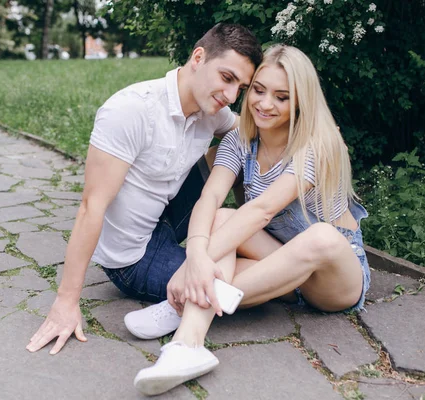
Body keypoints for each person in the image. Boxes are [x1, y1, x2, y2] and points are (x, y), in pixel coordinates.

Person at [128, 44, 371, 396]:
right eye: (258, 90)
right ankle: (188, 345)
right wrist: (194, 259)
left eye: (282, 97)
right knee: (224, 215)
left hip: (334, 277)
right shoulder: (242, 140)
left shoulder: (316, 144)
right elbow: (210, 198)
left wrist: (191, 272)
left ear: (301, 101)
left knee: (322, 237)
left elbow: (263, 210)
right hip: (279, 265)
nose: (265, 104)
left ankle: (184, 306)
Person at [25, 24, 263, 355]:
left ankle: (247, 238)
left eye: (241, 86)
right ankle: (271, 269)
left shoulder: (213, 110)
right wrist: (66, 302)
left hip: (168, 214)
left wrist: (306, 131)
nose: (232, 95)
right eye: (227, 78)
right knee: (227, 288)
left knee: (233, 148)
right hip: (133, 257)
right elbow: (91, 207)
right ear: (198, 57)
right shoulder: (131, 110)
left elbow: (251, 132)